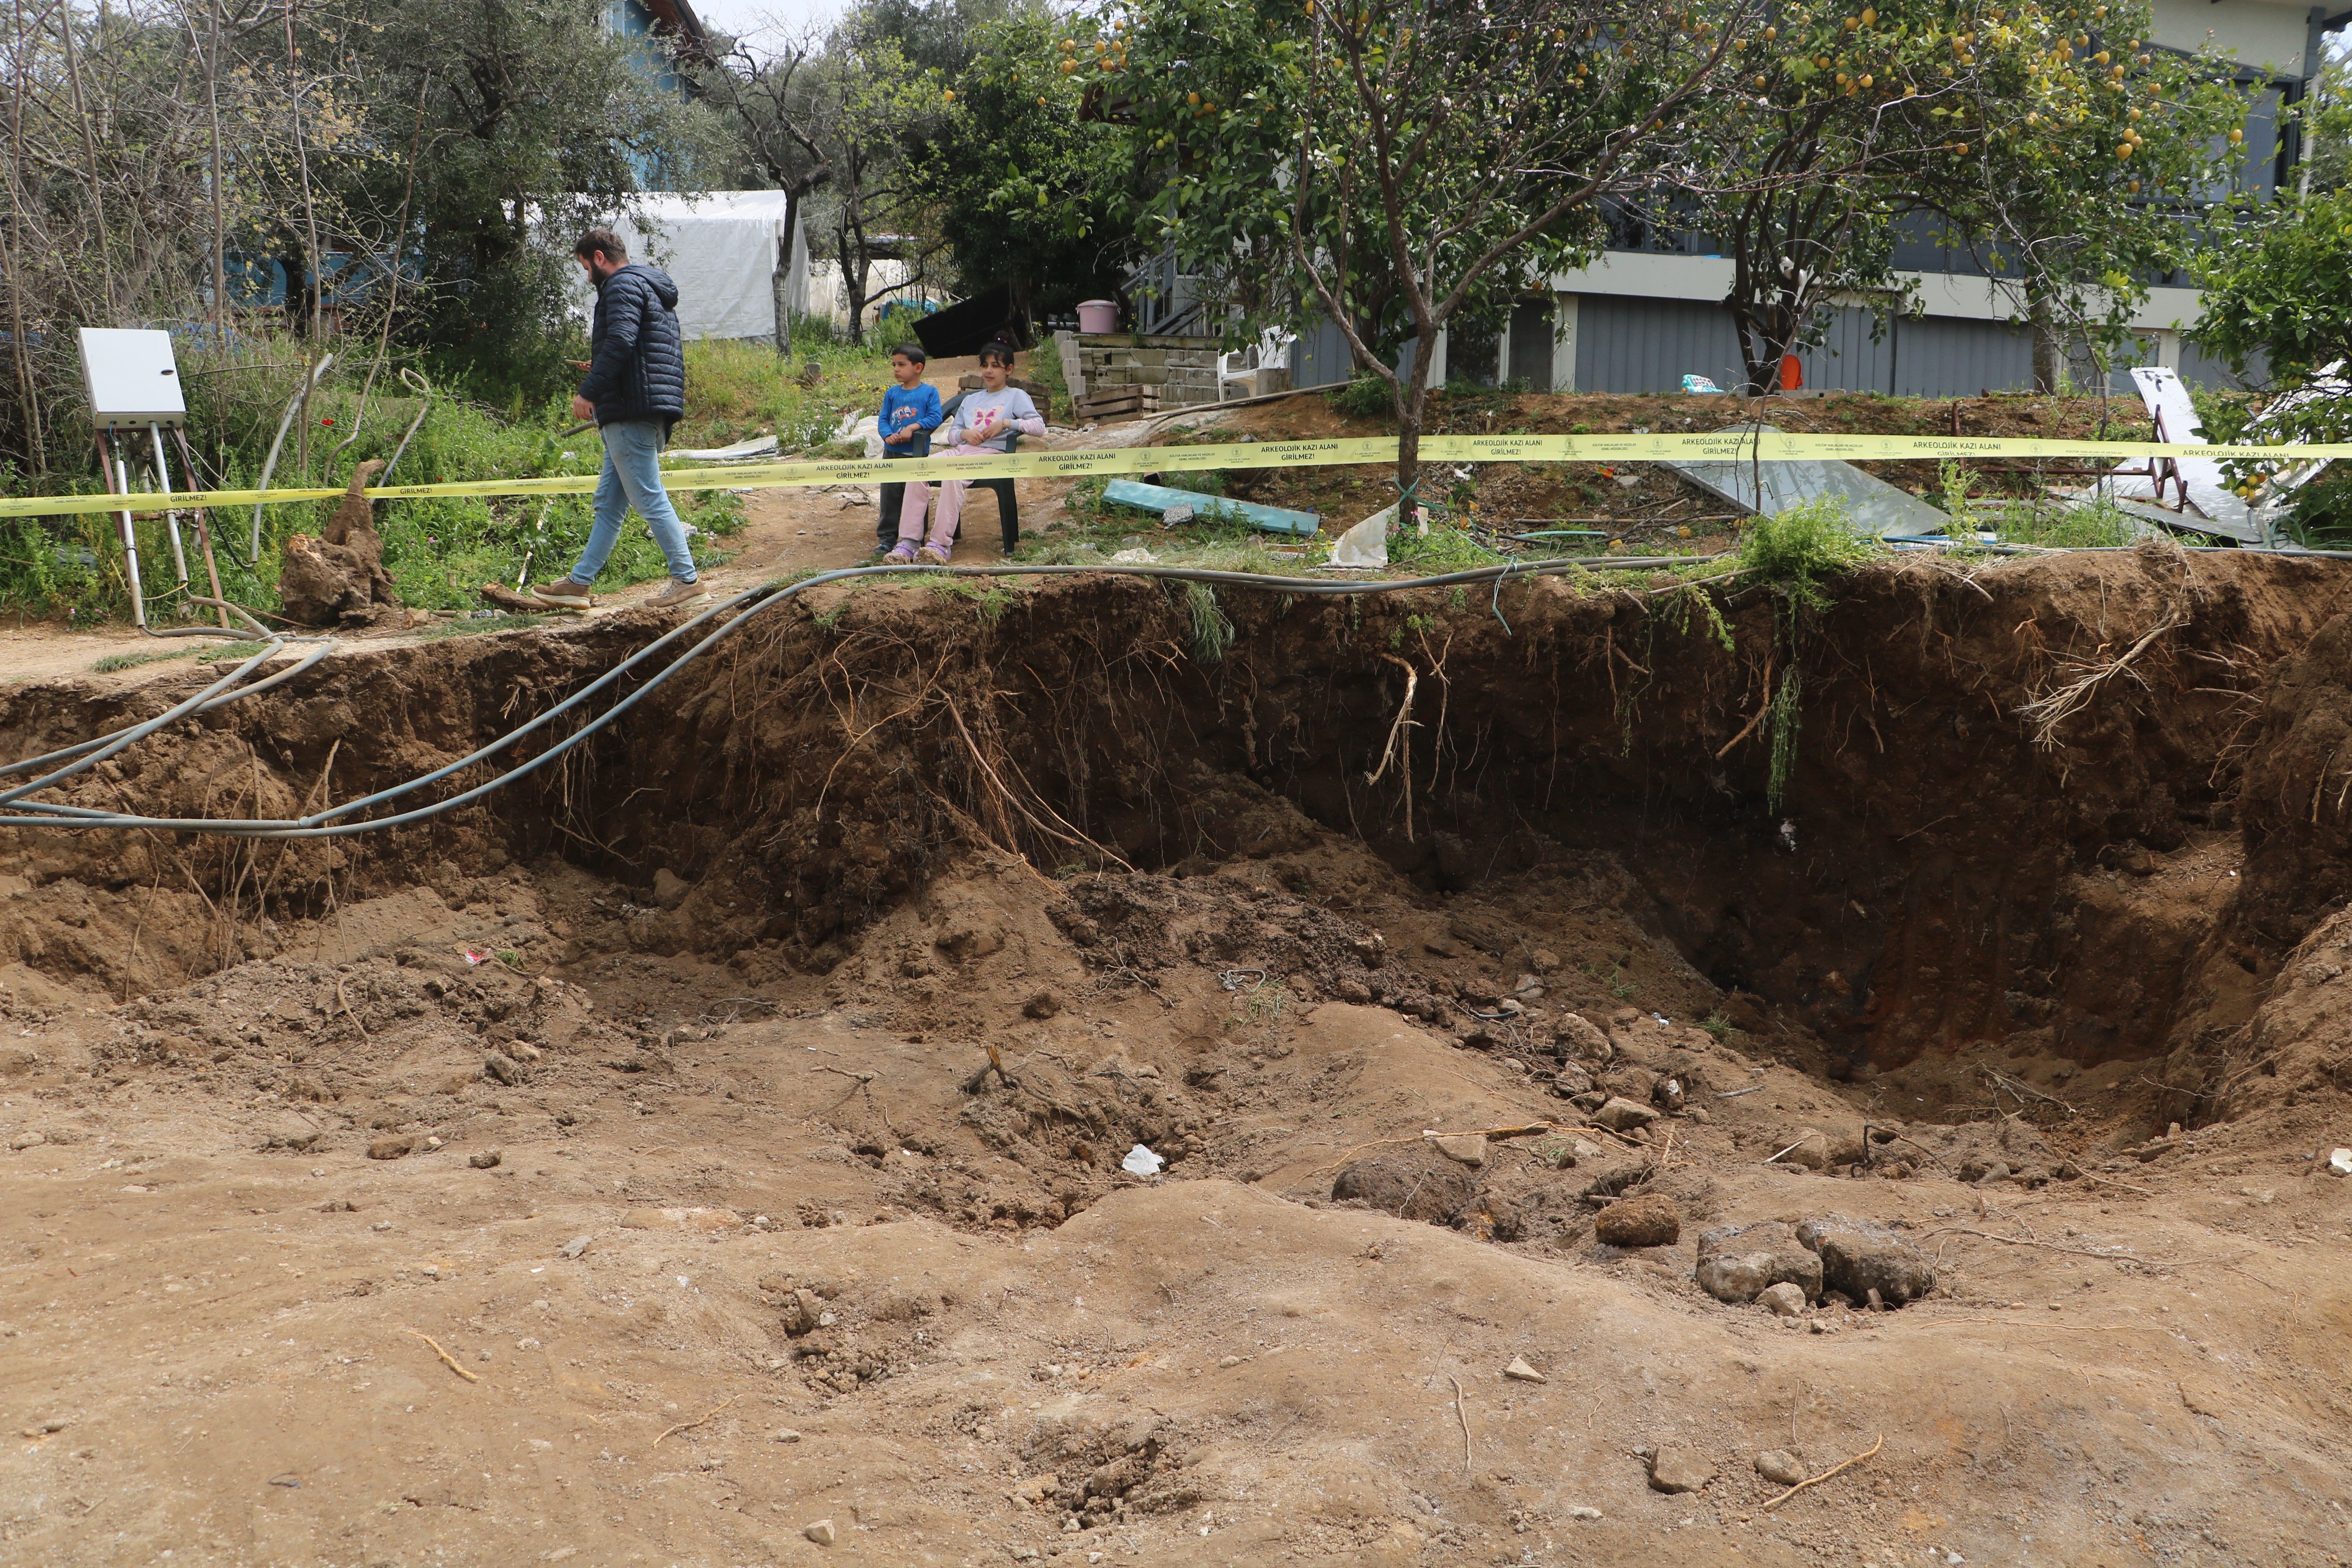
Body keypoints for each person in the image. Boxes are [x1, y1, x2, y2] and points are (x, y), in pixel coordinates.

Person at [530, 229, 705, 610]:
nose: (587, 277)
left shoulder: (621, 286)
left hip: (629, 412)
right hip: (640, 407)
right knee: (609, 503)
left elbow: (623, 341)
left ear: (598, 257)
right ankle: (579, 583)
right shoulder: (648, 287)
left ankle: (687, 580)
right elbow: (639, 350)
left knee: (648, 497)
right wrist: (605, 368)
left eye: (585, 267)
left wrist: (589, 390)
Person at [887, 341, 1044, 565]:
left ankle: (939, 545)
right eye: (985, 365)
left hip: (992, 454)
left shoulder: (1016, 396)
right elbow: (953, 435)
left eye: (995, 366)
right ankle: (910, 542)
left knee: (953, 473)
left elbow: (1039, 427)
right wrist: (965, 435)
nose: (989, 371)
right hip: (961, 451)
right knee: (918, 469)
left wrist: (1007, 423)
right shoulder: (971, 400)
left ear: (1008, 370)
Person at [875, 343, 942, 554]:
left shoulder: (929, 393)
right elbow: (884, 420)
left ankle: (915, 538)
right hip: (892, 453)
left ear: (918, 368)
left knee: (916, 495)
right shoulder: (892, 394)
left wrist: (913, 428)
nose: (896, 369)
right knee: (890, 495)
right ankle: (888, 538)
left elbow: (935, 417)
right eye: (894, 364)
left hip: (917, 454)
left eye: (902, 365)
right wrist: (888, 435)